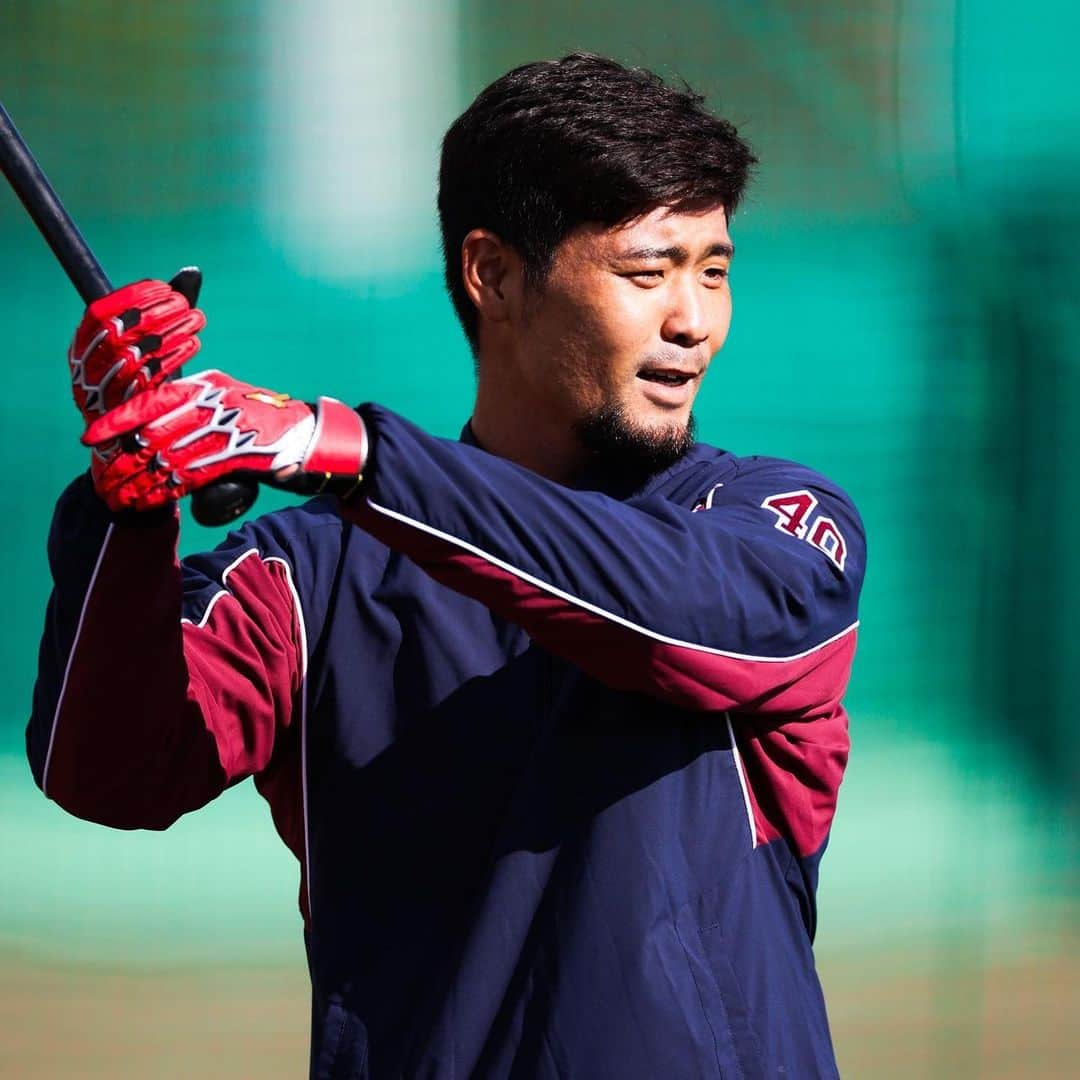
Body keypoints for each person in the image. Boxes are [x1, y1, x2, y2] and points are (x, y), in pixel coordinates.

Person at [28, 53, 864, 1079]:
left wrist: (344, 449)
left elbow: (676, 611)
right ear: (494, 275)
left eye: (715, 269)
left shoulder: (776, 523)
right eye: (649, 272)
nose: (693, 318)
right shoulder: (309, 569)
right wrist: (130, 503)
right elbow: (108, 771)